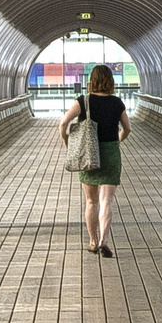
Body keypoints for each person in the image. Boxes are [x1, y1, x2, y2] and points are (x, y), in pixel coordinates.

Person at [58, 64, 130, 256]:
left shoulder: (83, 101)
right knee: (107, 200)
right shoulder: (117, 103)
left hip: (89, 154)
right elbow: (127, 129)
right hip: (111, 152)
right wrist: (117, 141)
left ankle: (91, 241)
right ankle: (103, 240)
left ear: (92, 81)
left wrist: (69, 145)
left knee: (91, 201)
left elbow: (63, 123)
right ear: (110, 81)